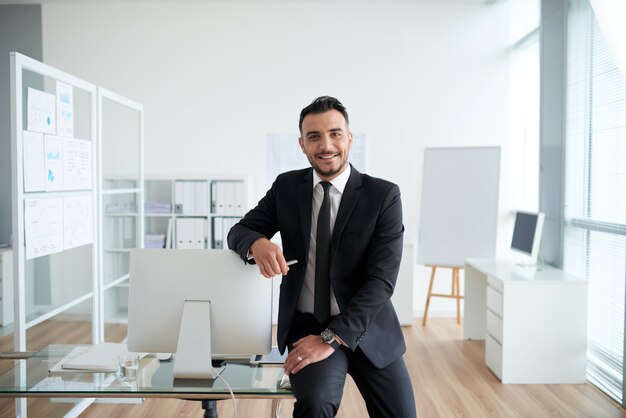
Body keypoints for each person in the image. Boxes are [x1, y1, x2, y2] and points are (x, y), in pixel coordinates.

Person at [228, 96, 416, 418]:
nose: (326, 145)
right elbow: (239, 231)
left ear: (349, 138)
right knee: (314, 406)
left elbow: (381, 282)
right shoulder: (286, 187)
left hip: (368, 328)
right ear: (302, 144)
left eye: (335, 134)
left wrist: (330, 338)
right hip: (307, 325)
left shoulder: (383, 195)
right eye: (314, 136)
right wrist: (256, 242)